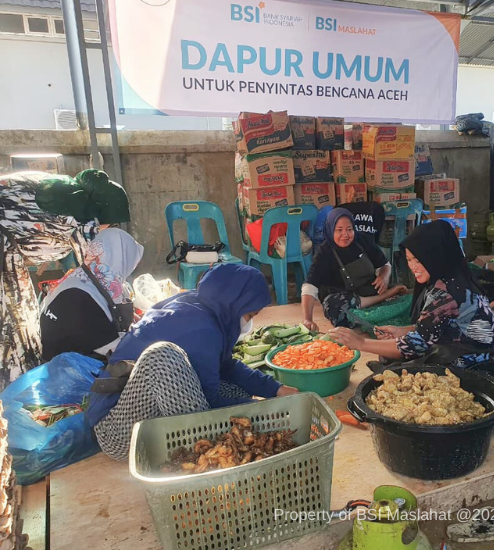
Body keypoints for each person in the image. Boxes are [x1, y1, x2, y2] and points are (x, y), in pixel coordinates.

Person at [86, 264, 297, 461]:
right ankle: (201, 453)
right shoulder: (202, 329)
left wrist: (275, 389)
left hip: (145, 409)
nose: (249, 322)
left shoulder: (203, 305)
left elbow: (226, 366)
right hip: (121, 433)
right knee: (163, 356)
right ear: (234, 304)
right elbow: (210, 402)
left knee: (236, 390)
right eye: (249, 315)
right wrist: (264, 410)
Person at [0, 170, 129, 388]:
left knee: (20, 317)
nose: (109, 230)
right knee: (11, 325)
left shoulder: (71, 196)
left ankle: (19, 384)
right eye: (111, 224)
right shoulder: (82, 218)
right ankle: (13, 388)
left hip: (8, 244)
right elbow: (95, 274)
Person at [329, 221, 494, 368]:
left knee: (395, 364)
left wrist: (360, 342)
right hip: (458, 346)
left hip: (472, 361)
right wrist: (402, 331)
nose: (413, 267)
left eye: (419, 260)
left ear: (436, 256)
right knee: (388, 356)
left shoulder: (447, 293)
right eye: (409, 260)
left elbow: (414, 346)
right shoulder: (451, 277)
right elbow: (437, 324)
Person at [40, 228, 143, 361]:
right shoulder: (78, 299)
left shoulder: (86, 279)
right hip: (69, 369)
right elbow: (119, 351)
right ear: (119, 260)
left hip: (80, 356)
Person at [301, 208, 404, 331]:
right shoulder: (324, 252)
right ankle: (381, 301)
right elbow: (310, 286)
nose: (345, 234)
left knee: (407, 299)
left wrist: (384, 277)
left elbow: (385, 265)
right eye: (339, 230)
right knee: (334, 307)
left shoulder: (363, 240)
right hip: (345, 300)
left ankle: (369, 312)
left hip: (369, 291)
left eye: (349, 229)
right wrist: (307, 319)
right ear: (330, 229)